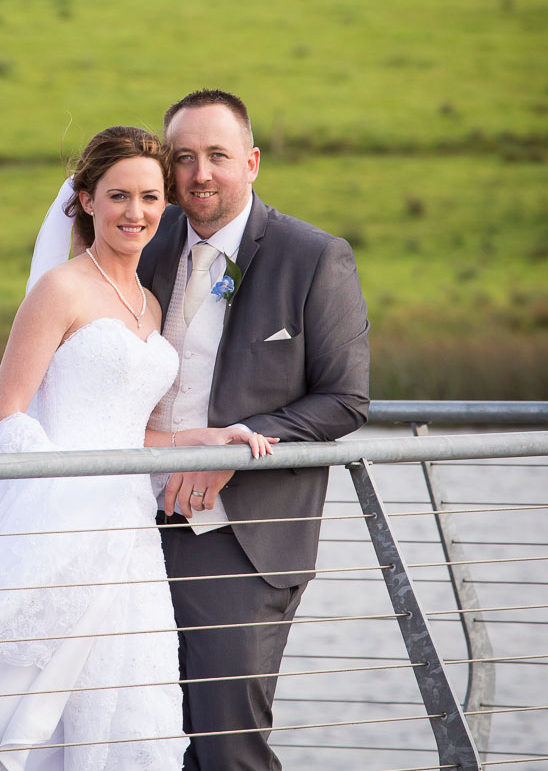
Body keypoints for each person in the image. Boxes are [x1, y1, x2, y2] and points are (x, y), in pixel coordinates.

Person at [0, 125, 273, 771]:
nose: (136, 213)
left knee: (125, 702)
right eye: (119, 196)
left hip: (131, 536)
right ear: (87, 200)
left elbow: (134, 435)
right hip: (66, 524)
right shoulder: (60, 290)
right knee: (12, 700)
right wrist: (56, 511)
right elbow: (5, 415)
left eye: (150, 198)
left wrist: (212, 437)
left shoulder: (150, 306)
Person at [138, 89, 370, 771]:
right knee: (143, 738)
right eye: (183, 158)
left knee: (227, 749)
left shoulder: (313, 257)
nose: (200, 174)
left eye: (217, 156)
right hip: (128, 530)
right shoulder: (145, 243)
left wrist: (238, 444)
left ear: (252, 161)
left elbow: (346, 398)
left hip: (241, 542)